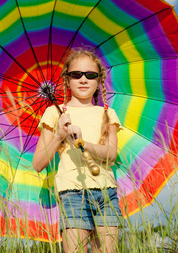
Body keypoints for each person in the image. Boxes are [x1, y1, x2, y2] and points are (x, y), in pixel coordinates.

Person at [33, 48, 122, 253]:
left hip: (106, 192)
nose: (83, 80)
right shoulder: (54, 114)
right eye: (76, 74)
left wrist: (85, 143)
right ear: (67, 79)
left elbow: (111, 154)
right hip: (72, 194)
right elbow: (38, 164)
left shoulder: (107, 113)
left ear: (99, 80)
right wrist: (59, 136)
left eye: (90, 75)